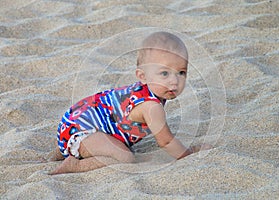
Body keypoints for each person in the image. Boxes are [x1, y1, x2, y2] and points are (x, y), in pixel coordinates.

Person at [50, 31, 212, 175]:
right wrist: (188, 154)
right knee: (125, 157)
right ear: (142, 76)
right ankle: (76, 164)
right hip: (82, 131)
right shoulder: (152, 106)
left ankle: (64, 149)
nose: (174, 81)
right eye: (164, 73)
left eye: (181, 73)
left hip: (73, 122)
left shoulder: (145, 90)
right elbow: (166, 141)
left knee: (116, 145)